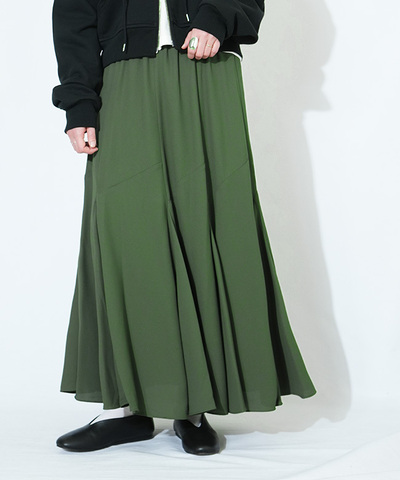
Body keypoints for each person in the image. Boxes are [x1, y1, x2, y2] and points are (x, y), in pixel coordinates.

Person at [51, 0, 316, 456]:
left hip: (205, 70)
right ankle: (130, 409)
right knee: (127, 233)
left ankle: (193, 409)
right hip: (123, 77)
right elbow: (74, 15)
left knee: (204, 224)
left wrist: (215, 19)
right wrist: (78, 103)